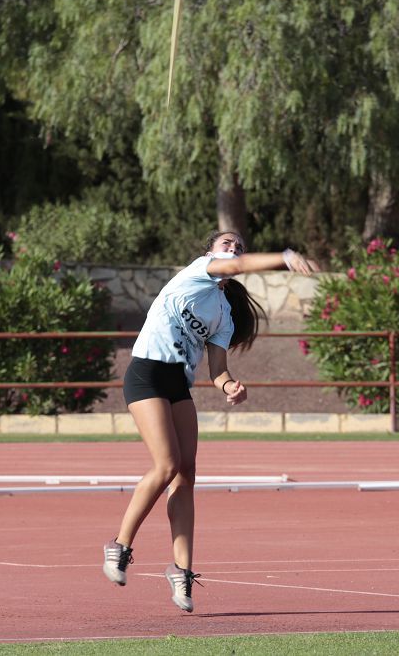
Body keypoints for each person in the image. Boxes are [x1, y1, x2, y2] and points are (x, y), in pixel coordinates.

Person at [102, 230, 319, 612]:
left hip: (177, 384)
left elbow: (217, 370)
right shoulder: (197, 272)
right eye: (226, 244)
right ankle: (118, 546)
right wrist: (284, 255)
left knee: (186, 474)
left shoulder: (223, 314)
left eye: (238, 246)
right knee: (166, 465)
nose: (233, 249)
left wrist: (230, 385)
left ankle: (181, 572)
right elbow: (235, 266)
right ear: (210, 253)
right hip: (146, 373)